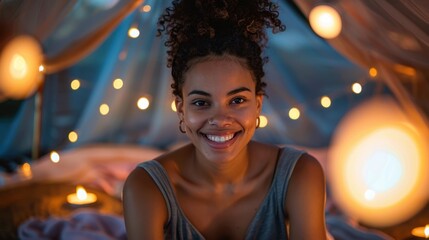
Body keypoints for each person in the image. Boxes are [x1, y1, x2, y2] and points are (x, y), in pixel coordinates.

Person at [123, 0, 328, 239]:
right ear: (180, 108)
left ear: (258, 104)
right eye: (201, 103)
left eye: (237, 100)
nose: (220, 119)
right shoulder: (146, 187)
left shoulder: (300, 174)